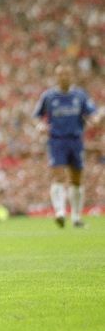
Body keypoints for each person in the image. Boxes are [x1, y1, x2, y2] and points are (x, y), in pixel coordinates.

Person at [33, 64, 102, 228]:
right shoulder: (49, 96)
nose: (64, 77)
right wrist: (40, 126)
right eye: (60, 74)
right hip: (57, 140)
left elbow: (93, 113)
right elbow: (36, 116)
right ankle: (60, 212)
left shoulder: (80, 95)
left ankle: (77, 217)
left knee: (76, 179)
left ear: (71, 76)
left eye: (66, 74)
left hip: (76, 140)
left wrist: (96, 118)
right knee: (58, 175)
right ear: (56, 77)